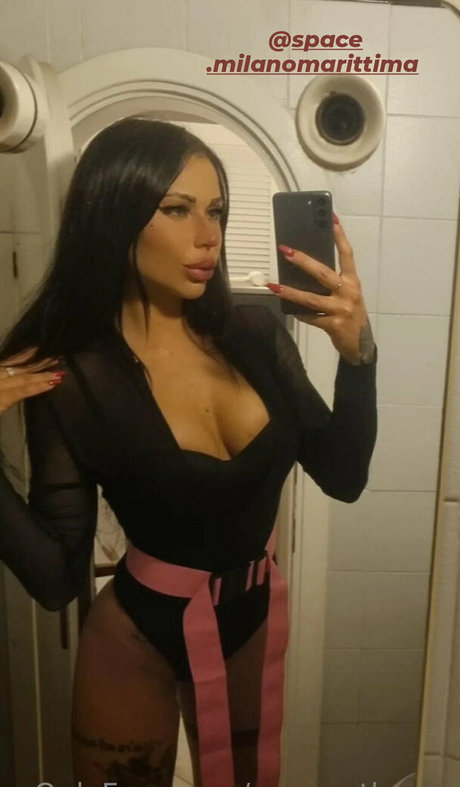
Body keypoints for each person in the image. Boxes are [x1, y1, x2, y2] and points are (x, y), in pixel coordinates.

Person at [0, 118, 377, 787]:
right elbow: (57, 577)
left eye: (217, 211)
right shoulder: (73, 375)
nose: (209, 237)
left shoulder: (255, 333)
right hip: (135, 639)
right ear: (114, 216)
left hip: (252, 621)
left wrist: (358, 359)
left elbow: (343, 475)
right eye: (177, 210)